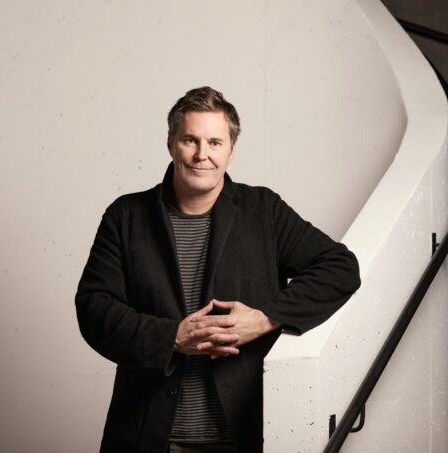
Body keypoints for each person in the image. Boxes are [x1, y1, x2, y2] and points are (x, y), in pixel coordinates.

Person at [75, 86, 361, 453]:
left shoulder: (263, 210)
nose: (201, 154)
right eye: (190, 140)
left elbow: (340, 268)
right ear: (171, 143)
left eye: (214, 142)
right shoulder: (125, 216)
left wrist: (264, 319)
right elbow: (94, 309)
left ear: (231, 150)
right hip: (147, 436)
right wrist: (172, 337)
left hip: (245, 435)